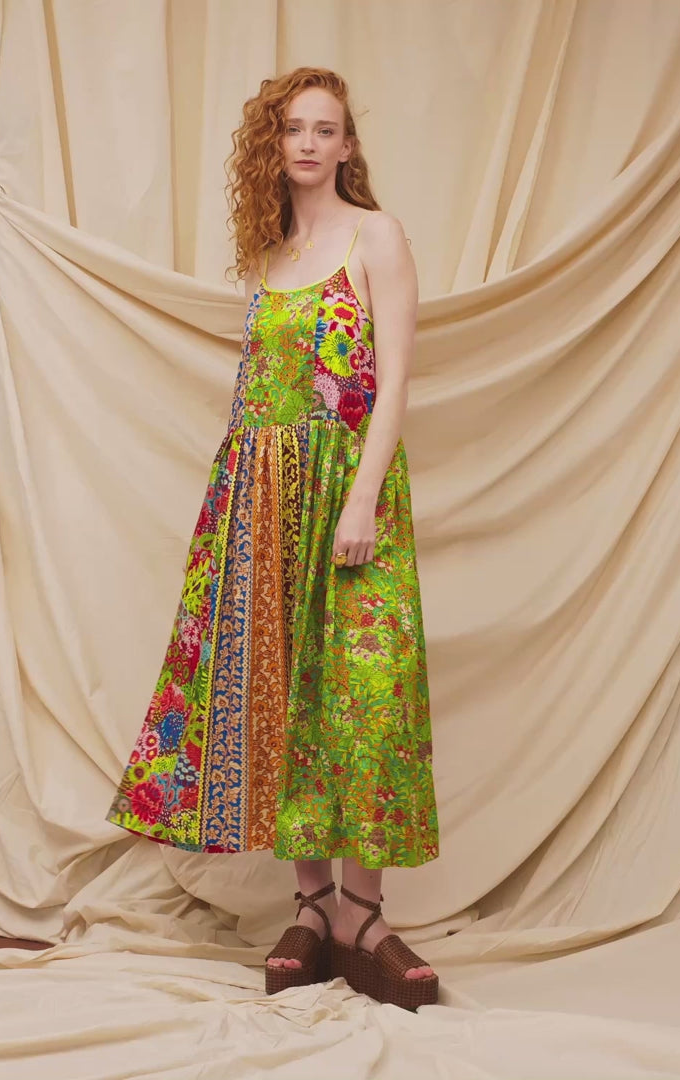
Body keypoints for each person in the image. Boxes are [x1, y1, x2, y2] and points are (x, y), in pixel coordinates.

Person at [106, 66, 440, 1011]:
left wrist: (363, 497)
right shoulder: (268, 251)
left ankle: (367, 917)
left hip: (348, 488)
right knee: (282, 699)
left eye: (325, 129)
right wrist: (237, 511)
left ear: (347, 146)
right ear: (274, 142)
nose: (308, 143)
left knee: (365, 698)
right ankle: (313, 910)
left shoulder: (377, 236)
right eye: (294, 128)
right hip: (258, 497)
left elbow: (393, 381)